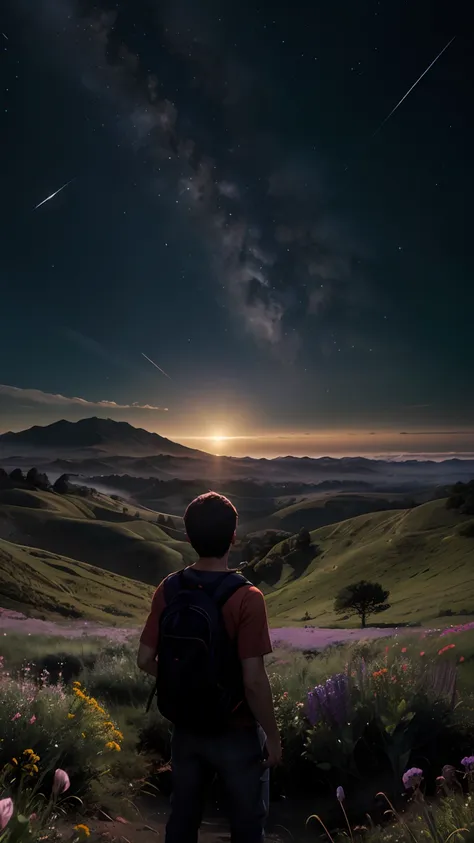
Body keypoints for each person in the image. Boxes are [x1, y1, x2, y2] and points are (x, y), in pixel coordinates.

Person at [137, 491, 281, 843]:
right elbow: (253, 682)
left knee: (182, 822)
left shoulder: (169, 588)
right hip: (237, 730)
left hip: (186, 729)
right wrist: (274, 739)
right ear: (234, 537)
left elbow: (144, 659)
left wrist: (187, 681)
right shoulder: (247, 597)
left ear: (188, 538)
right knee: (247, 827)